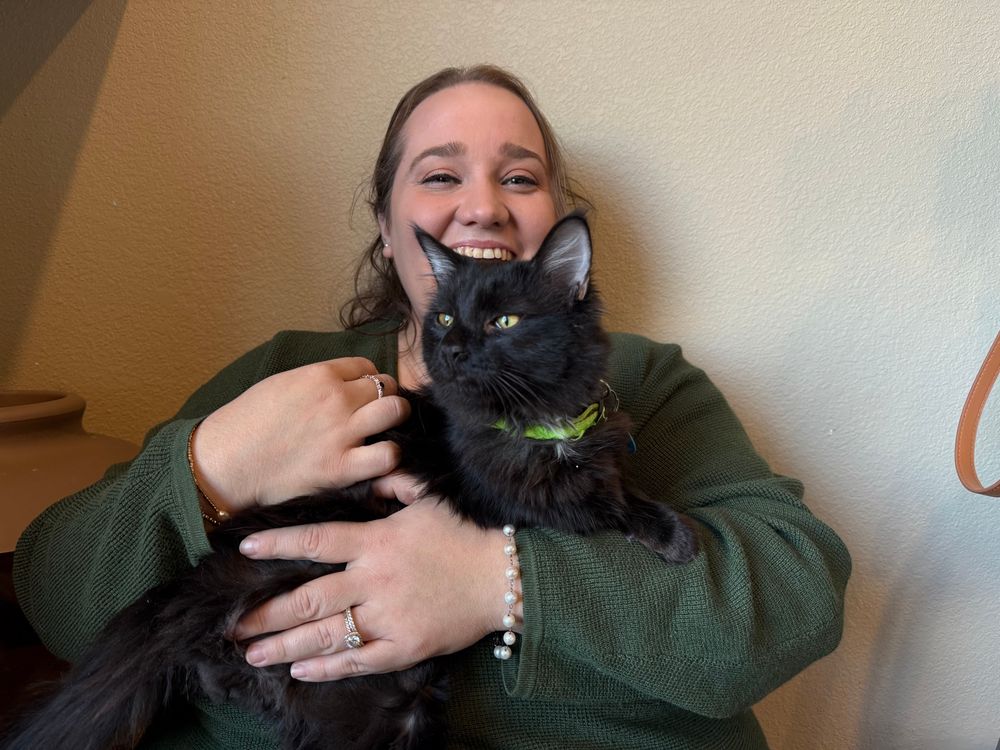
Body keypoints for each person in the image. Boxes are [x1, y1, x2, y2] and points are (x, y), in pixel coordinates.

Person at [13, 65, 851, 749]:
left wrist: (503, 583)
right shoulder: (282, 371)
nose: (483, 204)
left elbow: (794, 599)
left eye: (519, 177)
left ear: (558, 230)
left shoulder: (644, 382)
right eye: (441, 174)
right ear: (387, 225)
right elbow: (59, 601)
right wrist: (208, 467)